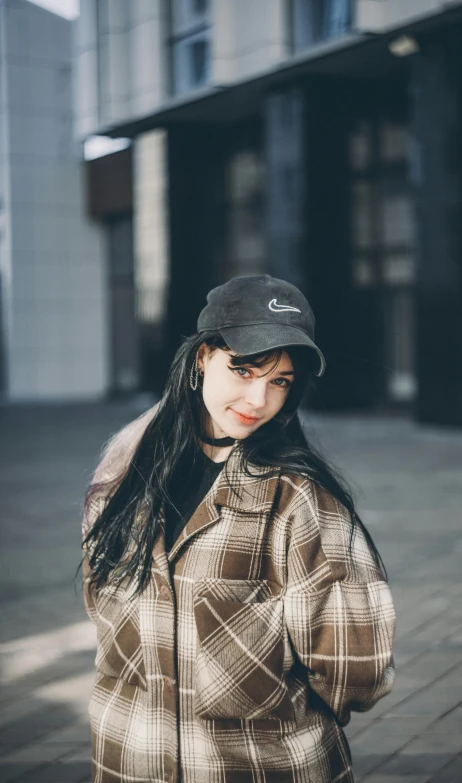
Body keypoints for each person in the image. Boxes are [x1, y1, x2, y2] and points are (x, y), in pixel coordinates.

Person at [81, 274, 396, 783]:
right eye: (244, 369)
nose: (259, 398)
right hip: (128, 757)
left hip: (256, 766)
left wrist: (267, 707)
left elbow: (356, 666)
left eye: (280, 381)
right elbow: (105, 617)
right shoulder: (124, 476)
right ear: (203, 357)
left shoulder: (298, 499)